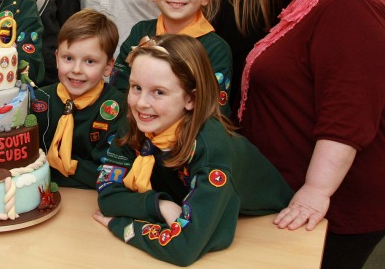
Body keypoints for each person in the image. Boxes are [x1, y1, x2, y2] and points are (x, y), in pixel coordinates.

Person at [238, 0, 385, 269]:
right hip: (301, 197)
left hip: (333, 206)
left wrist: (315, 192)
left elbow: (348, 111)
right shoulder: (311, 6)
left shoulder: (350, 3)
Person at [94, 35, 292, 266]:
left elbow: (183, 248)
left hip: (271, 226)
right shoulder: (135, 124)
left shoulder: (211, 149)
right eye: (136, 87)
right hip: (190, 203)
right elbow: (108, 196)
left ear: (191, 98)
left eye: (159, 92)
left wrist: (116, 225)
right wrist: (159, 206)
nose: (141, 103)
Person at [112, 0, 232, 117]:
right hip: (135, 129)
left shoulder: (215, 48)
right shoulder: (140, 31)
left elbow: (213, 111)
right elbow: (118, 89)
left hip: (187, 139)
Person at [31, 9, 126, 189]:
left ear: (108, 67)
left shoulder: (117, 108)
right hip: (39, 194)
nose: (76, 69)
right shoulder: (37, 100)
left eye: (90, 61)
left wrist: (49, 169)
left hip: (91, 200)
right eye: (68, 58)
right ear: (57, 58)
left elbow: (109, 173)